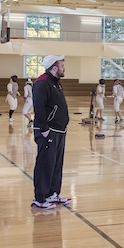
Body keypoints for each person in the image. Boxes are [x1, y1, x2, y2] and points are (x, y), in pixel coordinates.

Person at [32, 55, 71, 209]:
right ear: (54, 67)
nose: (64, 68)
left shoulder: (56, 83)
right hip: (48, 131)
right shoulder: (42, 83)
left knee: (56, 164)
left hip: (60, 130)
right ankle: (40, 198)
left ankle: (52, 194)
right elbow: (39, 107)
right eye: (62, 65)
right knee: (45, 164)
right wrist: (44, 129)